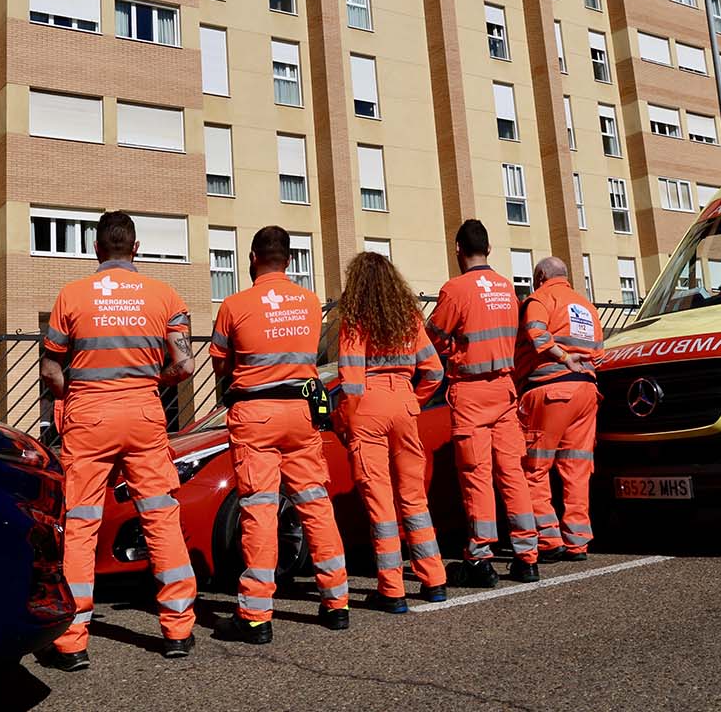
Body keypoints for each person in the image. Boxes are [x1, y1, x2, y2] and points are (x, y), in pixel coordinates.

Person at [38, 211, 199, 671]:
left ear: (95, 249)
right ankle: (178, 630)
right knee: (160, 515)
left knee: (82, 522)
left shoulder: (71, 295)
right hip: (144, 411)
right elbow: (185, 366)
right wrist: (155, 379)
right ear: (136, 248)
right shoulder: (164, 295)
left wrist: (69, 394)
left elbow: (51, 369)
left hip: (88, 414)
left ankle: (71, 642)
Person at [207, 226, 350, 643]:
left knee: (259, 508)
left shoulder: (234, 305)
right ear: (289, 260)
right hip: (302, 413)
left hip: (256, 414)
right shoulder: (308, 303)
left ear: (253, 258)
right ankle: (337, 602)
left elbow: (220, 363)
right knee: (315, 503)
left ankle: (255, 615)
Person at [331, 252, 450, 612]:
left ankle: (392, 589)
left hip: (368, 404)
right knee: (414, 498)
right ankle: (434, 579)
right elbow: (434, 372)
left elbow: (350, 379)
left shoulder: (354, 320)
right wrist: (413, 400)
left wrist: (346, 421)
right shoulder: (409, 317)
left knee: (380, 501)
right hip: (404, 403)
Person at [427, 219, 540, 587]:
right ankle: (527, 556)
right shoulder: (508, 289)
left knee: (476, 476)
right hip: (505, 390)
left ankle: (480, 558)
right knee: (512, 474)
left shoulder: (455, 289)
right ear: (489, 250)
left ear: (458, 249)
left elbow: (434, 338)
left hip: (471, 391)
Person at [514, 257, 603, 562]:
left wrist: (562, 357)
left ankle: (549, 539)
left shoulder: (539, 299)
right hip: (587, 392)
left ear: (540, 277)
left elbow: (538, 336)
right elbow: (599, 352)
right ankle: (578, 541)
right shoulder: (586, 306)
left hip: (549, 389)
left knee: (534, 469)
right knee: (577, 468)